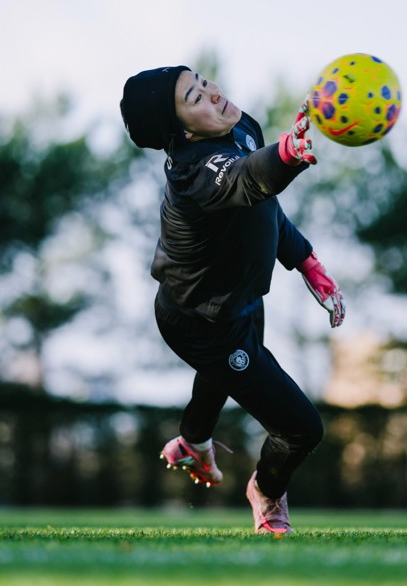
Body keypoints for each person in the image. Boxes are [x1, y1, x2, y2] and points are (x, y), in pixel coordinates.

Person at [120, 66, 345, 535]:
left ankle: (192, 441)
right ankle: (266, 490)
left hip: (237, 301)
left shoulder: (242, 126)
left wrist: (307, 261)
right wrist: (285, 155)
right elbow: (248, 179)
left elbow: (264, 207)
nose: (214, 94)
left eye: (203, 81)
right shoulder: (192, 171)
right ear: (181, 129)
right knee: (302, 429)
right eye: (194, 98)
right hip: (197, 321)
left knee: (223, 373)